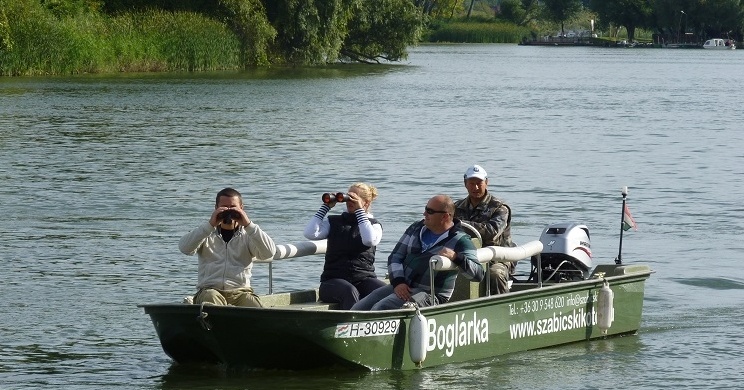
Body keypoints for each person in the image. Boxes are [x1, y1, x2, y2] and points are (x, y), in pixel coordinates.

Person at [351, 195, 484, 311]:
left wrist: (457, 257)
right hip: (403, 286)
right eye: (426, 209)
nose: (424, 214)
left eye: (430, 211)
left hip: (430, 294)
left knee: (381, 308)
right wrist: (398, 282)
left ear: (445, 216)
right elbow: (395, 257)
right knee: (358, 309)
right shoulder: (416, 227)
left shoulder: (460, 240)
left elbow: (478, 274)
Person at [179, 187, 276, 307]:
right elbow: (184, 248)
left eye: (233, 207)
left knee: (254, 306)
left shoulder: (248, 235)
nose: (229, 211)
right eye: (224, 207)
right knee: (211, 298)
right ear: (216, 208)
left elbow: (269, 253)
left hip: (240, 292)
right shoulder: (205, 233)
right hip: (210, 290)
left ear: (242, 208)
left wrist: (248, 225)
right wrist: (210, 225)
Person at [303, 183, 386, 310]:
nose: (349, 200)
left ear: (366, 203)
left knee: (386, 292)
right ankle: (351, 326)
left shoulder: (374, 225)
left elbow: (369, 240)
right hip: (332, 281)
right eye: (348, 196)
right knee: (349, 291)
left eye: (354, 198)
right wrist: (326, 206)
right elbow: (310, 233)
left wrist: (359, 211)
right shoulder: (334, 222)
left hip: (363, 279)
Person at [454, 164, 515, 294]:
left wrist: (459, 223)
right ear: (465, 184)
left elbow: (491, 233)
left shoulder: (499, 207)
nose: (475, 187)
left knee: (495, 274)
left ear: (486, 182)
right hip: (465, 254)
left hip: (497, 258)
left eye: (479, 183)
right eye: (471, 183)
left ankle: (502, 308)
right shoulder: (456, 207)